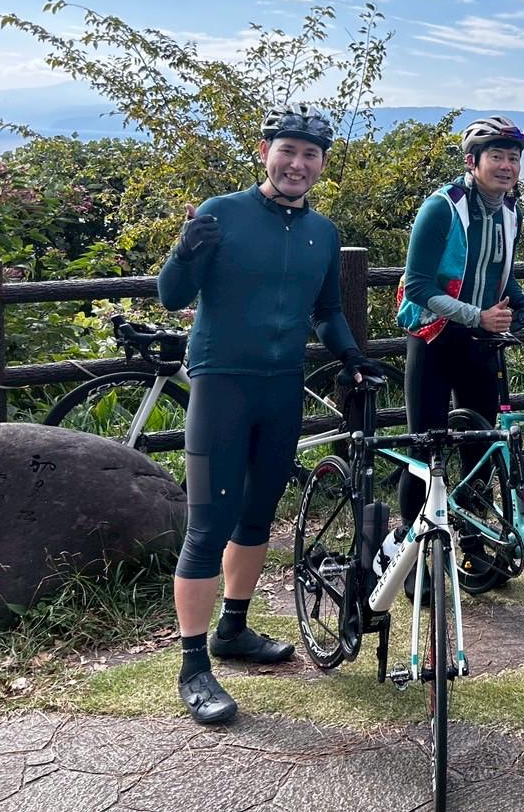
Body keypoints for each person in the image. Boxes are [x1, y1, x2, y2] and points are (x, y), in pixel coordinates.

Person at [159, 103, 383, 725]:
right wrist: (184, 251)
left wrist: (351, 357)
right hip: (222, 386)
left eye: (310, 154)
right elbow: (173, 295)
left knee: (257, 516)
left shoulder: (323, 233)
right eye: (287, 150)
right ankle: (193, 667)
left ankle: (233, 629)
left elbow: (327, 310)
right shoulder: (222, 212)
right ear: (265, 153)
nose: (297, 164)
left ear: (322, 164)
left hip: (282, 388)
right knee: (209, 525)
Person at [396, 116, 524, 552]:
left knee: (481, 446)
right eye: (497, 156)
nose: (507, 166)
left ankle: (472, 545)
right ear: (472, 161)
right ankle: (411, 551)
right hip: (434, 338)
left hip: (480, 342)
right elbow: (417, 286)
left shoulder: (510, 211)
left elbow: (500, 273)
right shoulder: (442, 208)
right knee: (424, 449)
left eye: (514, 158)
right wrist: (476, 315)